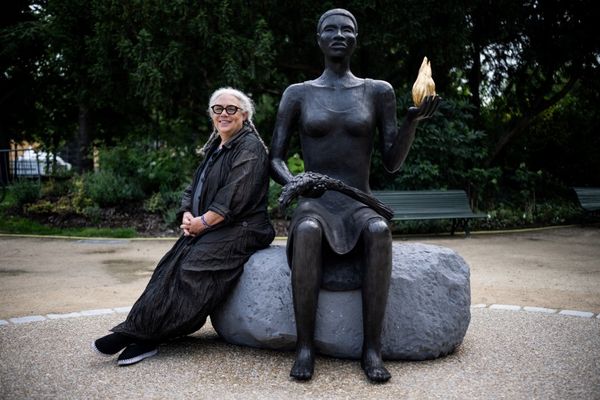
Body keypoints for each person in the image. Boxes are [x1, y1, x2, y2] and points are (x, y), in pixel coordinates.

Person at [270, 9, 440, 382]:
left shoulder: (377, 91)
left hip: (359, 202)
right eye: (330, 29)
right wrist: (296, 182)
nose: (339, 34)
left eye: (347, 29)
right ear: (318, 38)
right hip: (315, 201)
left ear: (356, 38)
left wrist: (411, 121)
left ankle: (372, 350)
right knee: (309, 231)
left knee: (379, 232)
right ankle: (304, 347)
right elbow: (276, 157)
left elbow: (392, 162)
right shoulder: (297, 94)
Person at [93, 87, 275, 366]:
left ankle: (148, 338)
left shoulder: (249, 147)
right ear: (211, 114)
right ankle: (134, 329)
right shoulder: (217, 146)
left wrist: (203, 222)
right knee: (168, 269)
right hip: (214, 225)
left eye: (231, 109)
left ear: (245, 115)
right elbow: (194, 187)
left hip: (244, 228)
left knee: (192, 271)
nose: (223, 114)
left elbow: (234, 195)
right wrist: (188, 215)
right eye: (218, 109)